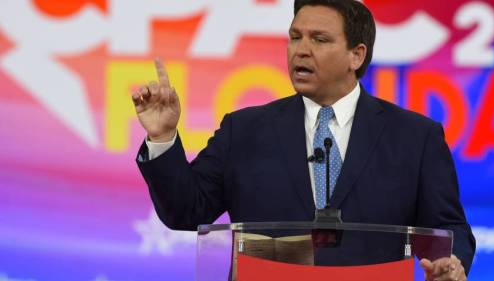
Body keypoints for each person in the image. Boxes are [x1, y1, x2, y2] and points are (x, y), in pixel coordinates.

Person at [132, 0, 475, 280]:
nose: (301, 50)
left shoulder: (415, 137)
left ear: (356, 55)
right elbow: (185, 210)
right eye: (295, 37)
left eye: (319, 39)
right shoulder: (245, 129)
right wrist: (162, 137)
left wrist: (451, 263)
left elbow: (448, 227)